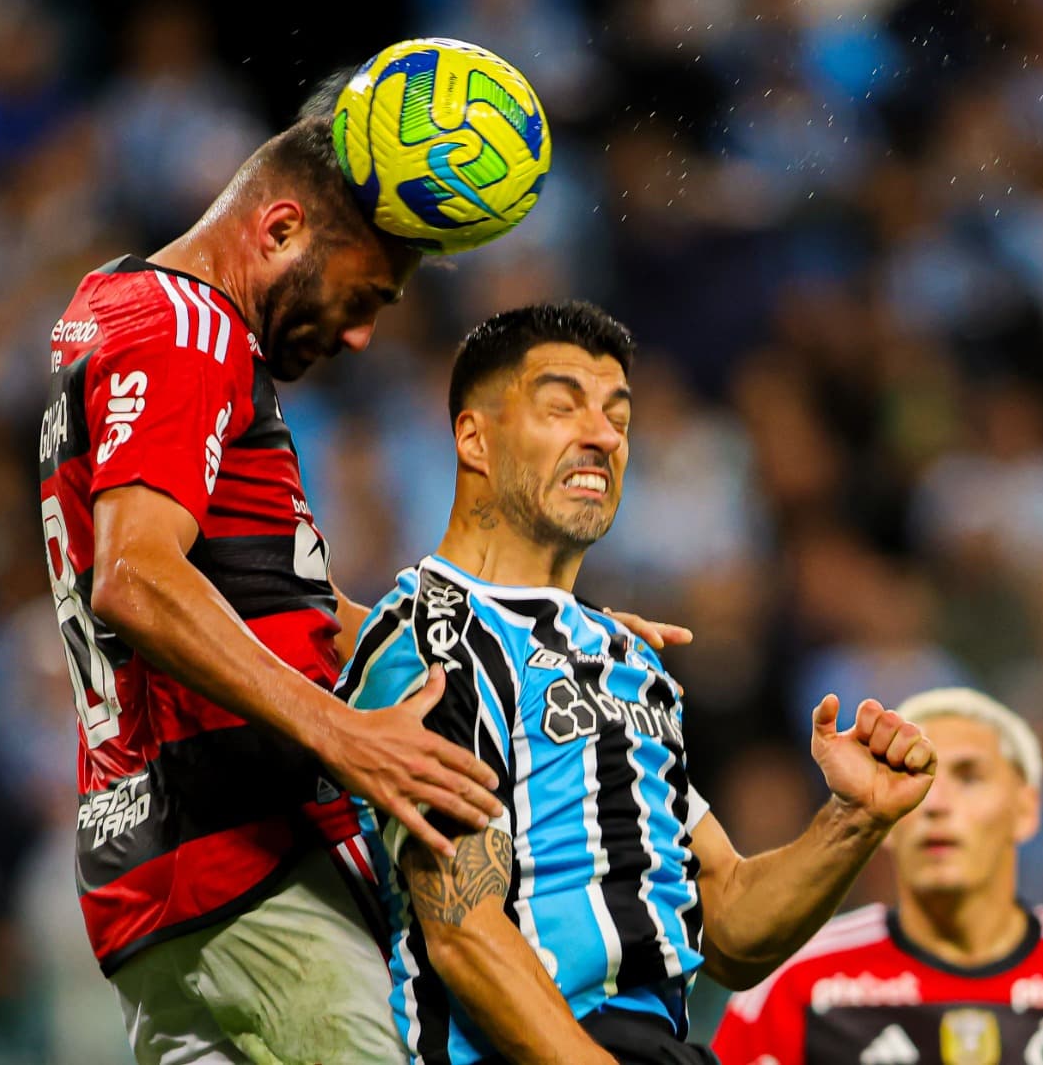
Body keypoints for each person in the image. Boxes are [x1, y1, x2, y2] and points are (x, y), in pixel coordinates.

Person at [36, 70, 683, 1062]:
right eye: (363, 293)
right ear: (281, 228)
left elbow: (286, 603)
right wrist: (346, 734)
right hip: (250, 871)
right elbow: (136, 579)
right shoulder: (187, 329)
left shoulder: (116, 310)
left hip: (157, 889)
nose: (360, 333)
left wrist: (538, 638)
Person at [338, 301, 939, 1064]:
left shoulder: (630, 657)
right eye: (562, 407)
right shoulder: (435, 634)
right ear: (474, 438)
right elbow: (465, 933)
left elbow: (727, 925)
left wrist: (853, 819)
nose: (603, 435)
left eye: (619, 415)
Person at [712, 688, 1043, 1065]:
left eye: (969, 777)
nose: (935, 805)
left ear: (1026, 809)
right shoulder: (795, 983)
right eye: (915, 779)